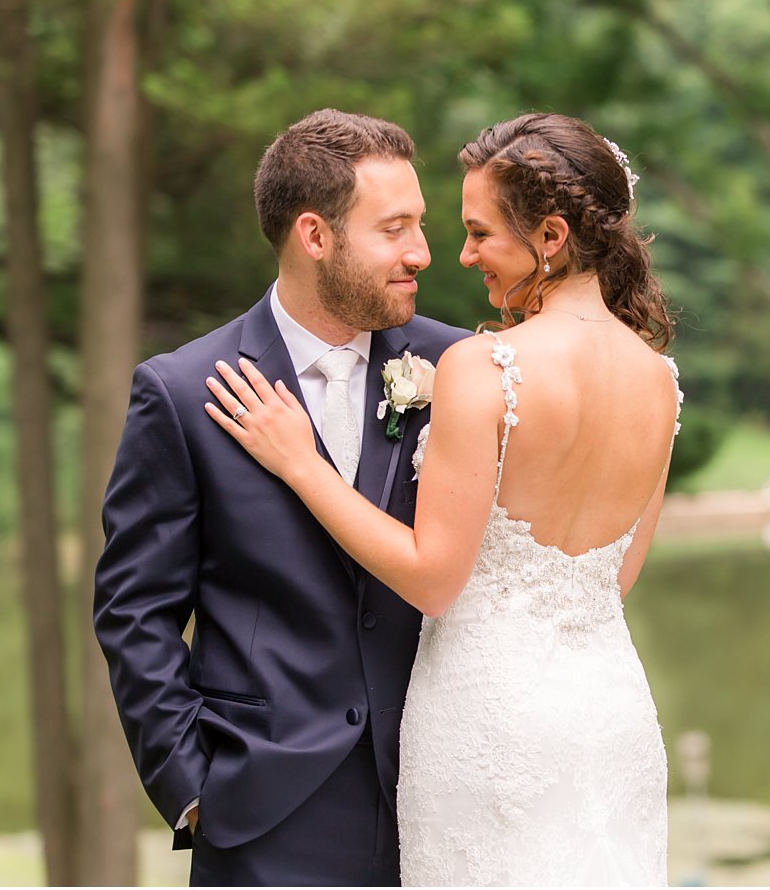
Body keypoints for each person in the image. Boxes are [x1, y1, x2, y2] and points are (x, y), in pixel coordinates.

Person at [206, 112, 679, 886]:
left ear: (551, 237)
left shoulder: (485, 365)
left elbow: (433, 578)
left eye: (480, 233)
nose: (460, 257)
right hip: (609, 712)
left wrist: (302, 464)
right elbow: (612, 577)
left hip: (489, 723)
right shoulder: (658, 379)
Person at [93, 109, 470, 885]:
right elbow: (135, 611)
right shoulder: (181, 392)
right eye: (394, 229)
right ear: (315, 235)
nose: (422, 254)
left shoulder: (456, 364)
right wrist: (192, 788)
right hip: (264, 816)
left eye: (421, 225)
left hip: (444, 800)